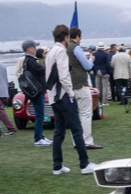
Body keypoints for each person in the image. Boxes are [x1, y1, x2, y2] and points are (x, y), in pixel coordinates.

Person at [44, 24, 97, 176]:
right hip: (63, 96)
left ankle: (57, 165)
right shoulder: (60, 51)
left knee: (59, 132)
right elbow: (63, 76)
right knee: (77, 129)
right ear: (66, 37)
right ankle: (84, 163)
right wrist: (70, 93)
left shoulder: (50, 52)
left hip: (54, 96)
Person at [68, 26, 101, 150]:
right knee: (86, 113)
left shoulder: (65, 48)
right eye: (80, 37)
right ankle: (86, 141)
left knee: (74, 115)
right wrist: (91, 60)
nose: (80, 40)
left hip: (70, 85)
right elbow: (87, 66)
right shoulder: (76, 48)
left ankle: (76, 141)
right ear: (77, 37)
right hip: (80, 84)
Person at [21, 39, 51, 146]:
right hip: (37, 92)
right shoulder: (32, 61)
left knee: (40, 115)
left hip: (33, 91)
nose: (35, 49)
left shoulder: (26, 60)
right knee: (40, 115)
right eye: (34, 47)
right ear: (29, 48)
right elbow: (42, 70)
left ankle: (41, 136)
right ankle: (38, 138)